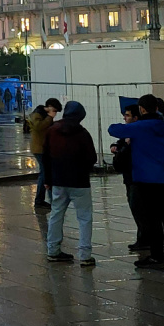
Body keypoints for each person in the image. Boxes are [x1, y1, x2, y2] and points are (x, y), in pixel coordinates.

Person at [108, 93, 164, 267]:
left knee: (152, 218)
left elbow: (113, 129)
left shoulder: (140, 127)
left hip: (145, 178)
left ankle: (156, 255)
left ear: (142, 109)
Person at [43, 101, 98, 266]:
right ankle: (85, 255)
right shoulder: (82, 133)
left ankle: (53, 250)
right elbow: (91, 158)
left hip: (58, 181)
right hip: (79, 181)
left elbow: (45, 156)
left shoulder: (52, 130)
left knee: (56, 214)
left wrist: (48, 179)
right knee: (84, 218)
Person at [111, 104, 146, 251]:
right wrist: (116, 146)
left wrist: (124, 148)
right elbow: (119, 142)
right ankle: (143, 237)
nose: (124, 118)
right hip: (129, 175)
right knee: (135, 206)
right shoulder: (127, 133)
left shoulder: (137, 134)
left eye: (127, 115)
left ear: (136, 117)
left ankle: (144, 238)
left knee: (138, 207)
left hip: (136, 176)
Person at [27, 98, 61, 210]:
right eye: (54, 111)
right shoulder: (38, 114)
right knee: (44, 173)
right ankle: (39, 200)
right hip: (39, 148)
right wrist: (50, 117)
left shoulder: (43, 115)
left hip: (44, 147)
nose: (54, 114)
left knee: (46, 172)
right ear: (49, 107)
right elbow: (38, 127)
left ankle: (45, 199)